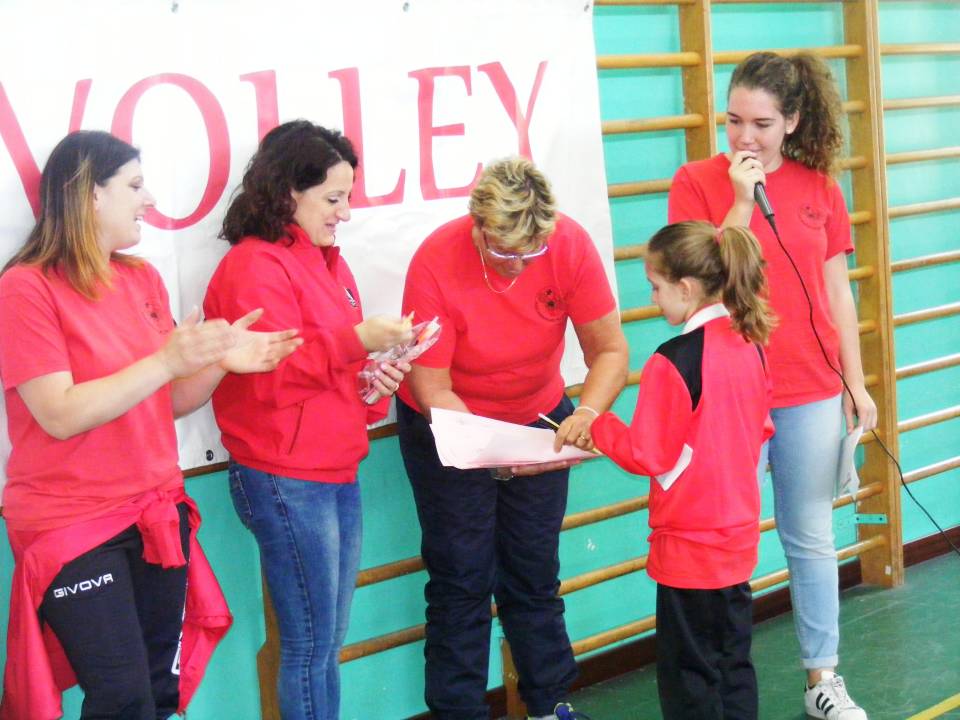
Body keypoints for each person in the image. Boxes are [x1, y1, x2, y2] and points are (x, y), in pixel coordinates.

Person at [0, 130, 301, 720]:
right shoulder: (25, 289)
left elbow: (164, 403)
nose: (149, 199)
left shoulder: (140, 279)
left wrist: (218, 362)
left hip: (154, 512)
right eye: (135, 186)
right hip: (71, 523)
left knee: (160, 694)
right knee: (123, 698)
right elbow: (59, 414)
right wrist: (165, 359)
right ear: (88, 194)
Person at [668, 51, 879, 720]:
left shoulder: (820, 188)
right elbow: (701, 280)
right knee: (729, 539)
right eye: (733, 121)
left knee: (811, 535)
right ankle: (727, 687)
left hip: (810, 387)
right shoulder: (695, 182)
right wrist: (737, 200)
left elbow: (836, 290)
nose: (745, 138)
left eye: (761, 123)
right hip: (729, 394)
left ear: (791, 121)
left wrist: (857, 382)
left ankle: (823, 679)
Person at [396, 157, 629, 720]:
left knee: (533, 573)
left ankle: (550, 703)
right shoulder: (436, 259)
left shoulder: (567, 245)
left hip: (535, 414)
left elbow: (610, 352)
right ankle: (460, 712)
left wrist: (589, 413)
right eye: (503, 252)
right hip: (449, 423)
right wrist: (496, 456)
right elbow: (433, 388)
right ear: (477, 226)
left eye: (531, 253)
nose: (518, 267)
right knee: (462, 576)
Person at [202, 120, 413, 720]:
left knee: (323, 645)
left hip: (332, 466)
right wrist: (354, 345)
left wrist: (376, 381)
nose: (345, 212)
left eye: (347, 196)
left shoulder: (329, 264)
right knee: (309, 647)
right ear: (287, 192)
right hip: (285, 473)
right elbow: (267, 376)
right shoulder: (252, 266)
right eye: (333, 198)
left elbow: (333, 372)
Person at [589, 221, 775, 720]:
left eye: (655, 287)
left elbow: (648, 453)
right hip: (736, 543)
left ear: (686, 288)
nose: (652, 299)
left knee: (689, 675)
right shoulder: (751, 345)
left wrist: (598, 427)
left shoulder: (672, 361)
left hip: (690, 550)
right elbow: (760, 430)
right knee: (733, 664)